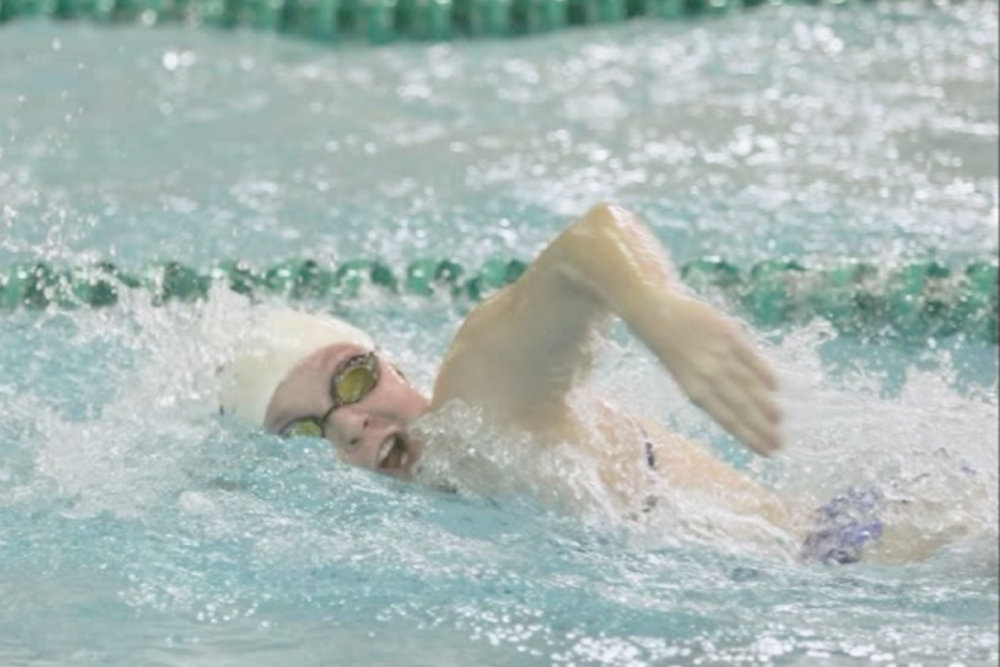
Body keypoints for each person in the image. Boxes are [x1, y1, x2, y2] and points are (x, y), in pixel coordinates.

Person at [218, 203, 935, 564]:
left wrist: (657, 311)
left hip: (870, 549)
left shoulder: (477, 399)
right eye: (307, 429)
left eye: (351, 375)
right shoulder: (421, 517)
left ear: (395, 363)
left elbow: (590, 239)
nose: (348, 424)